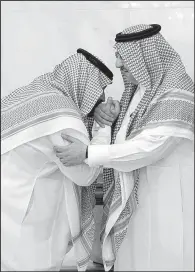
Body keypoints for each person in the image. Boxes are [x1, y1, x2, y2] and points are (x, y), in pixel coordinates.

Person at [55, 24, 194, 271]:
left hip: (165, 200)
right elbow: (125, 135)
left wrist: (88, 154)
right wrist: (105, 117)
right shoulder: (140, 91)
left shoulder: (177, 93)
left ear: (144, 56)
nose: (118, 65)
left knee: (162, 258)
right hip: (136, 201)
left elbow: (146, 147)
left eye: (122, 56)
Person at [1, 48, 120, 271]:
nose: (101, 97)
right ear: (84, 84)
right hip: (27, 210)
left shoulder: (37, 92)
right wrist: (103, 128)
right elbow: (86, 174)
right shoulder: (63, 118)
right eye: (100, 88)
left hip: (9, 196)